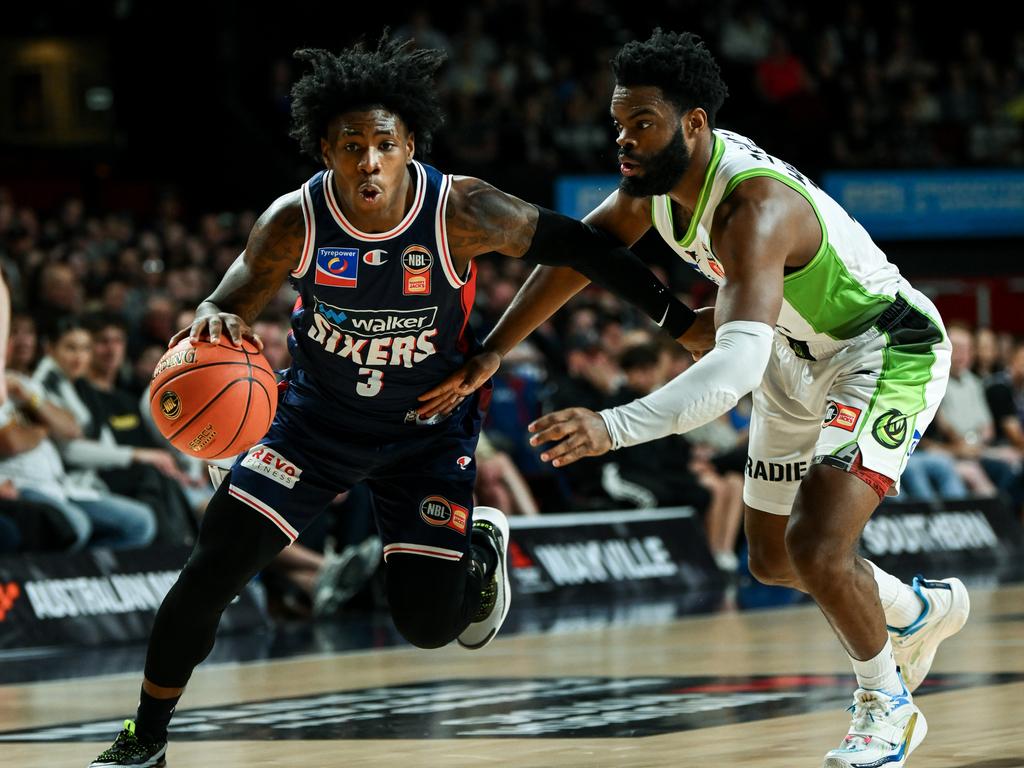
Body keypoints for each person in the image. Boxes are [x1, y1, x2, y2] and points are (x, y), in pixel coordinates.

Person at [89, 33, 713, 767]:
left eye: (384, 142)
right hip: (314, 426)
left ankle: (479, 548)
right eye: (350, 145)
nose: (369, 160)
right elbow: (227, 300)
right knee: (212, 570)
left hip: (428, 430)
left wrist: (676, 320)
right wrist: (213, 319)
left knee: (426, 625)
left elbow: (583, 246)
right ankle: (145, 737)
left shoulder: (464, 210)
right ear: (326, 152)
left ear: (410, 143)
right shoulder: (295, 220)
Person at [431, 29, 967, 768]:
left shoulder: (755, 209)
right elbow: (575, 257)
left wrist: (612, 426)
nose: (623, 139)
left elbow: (732, 372)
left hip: (883, 348)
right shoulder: (653, 188)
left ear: (693, 126)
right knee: (775, 560)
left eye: (641, 124)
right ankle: (920, 610)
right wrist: (495, 347)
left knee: (819, 543)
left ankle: (887, 708)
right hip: (790, 349)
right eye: (618, 123)